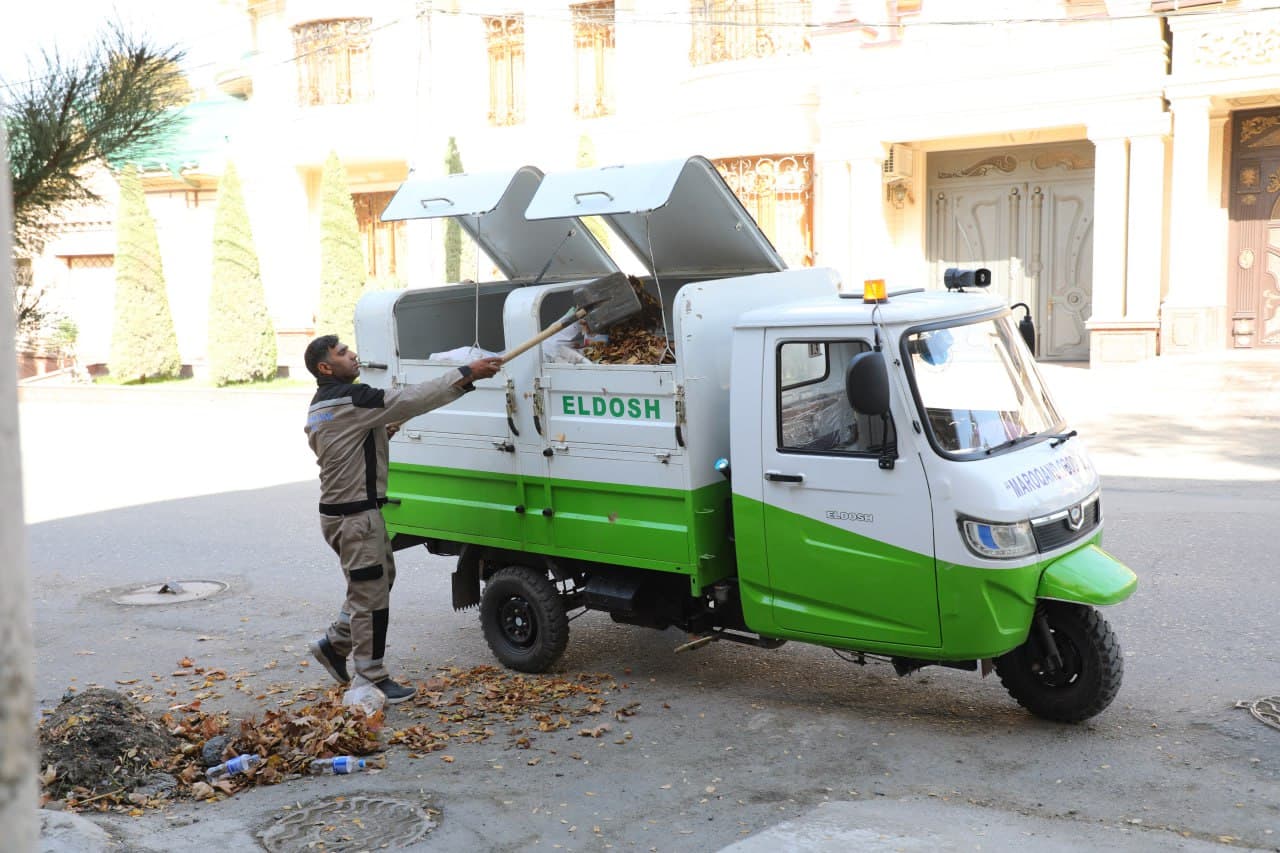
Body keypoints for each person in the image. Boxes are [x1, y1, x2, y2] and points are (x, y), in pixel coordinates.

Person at [302, 334, 503, 703]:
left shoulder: (320, 407)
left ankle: (335, 644)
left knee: (377, 582)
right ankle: (371, 677)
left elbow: (344, 447)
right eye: (342, 353)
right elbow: (411, 398)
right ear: (325, 368)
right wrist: (465, 373)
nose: (352, 355)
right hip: (356, 517)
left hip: (343, 516)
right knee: (370, 597)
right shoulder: (354, 398)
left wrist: (381, 431)